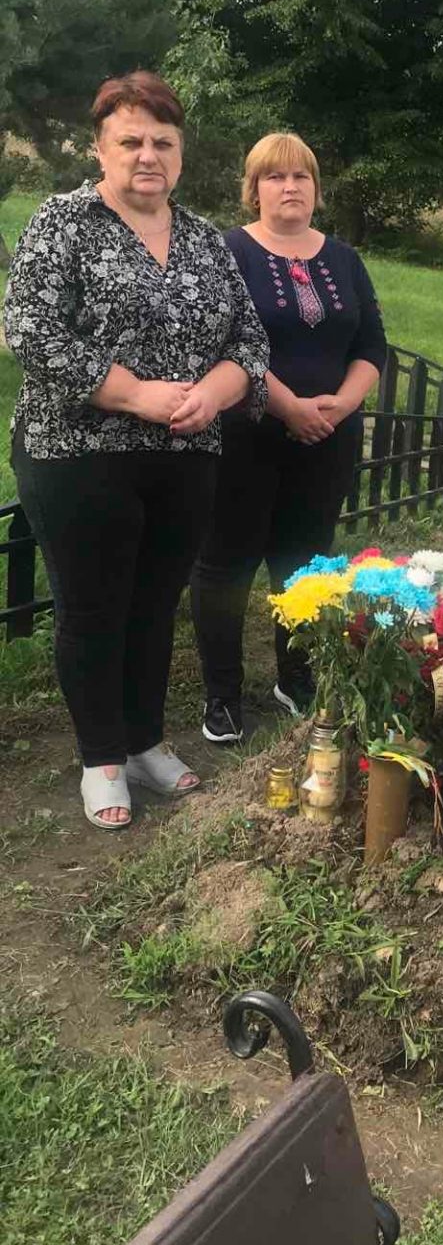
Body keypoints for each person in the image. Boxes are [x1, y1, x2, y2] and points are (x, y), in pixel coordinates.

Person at [3, 71, 269, 830]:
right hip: (77, 451)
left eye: (163, 142)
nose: (147, 155)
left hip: (186, 456)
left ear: (180, 154)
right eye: (131, 141)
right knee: (94, 608)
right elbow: (30, 328)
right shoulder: (63, 223)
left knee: (155, 605)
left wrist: (215, 391)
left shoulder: (205, 240)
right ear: (100, 149)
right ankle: (102, 760)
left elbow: (249, 340)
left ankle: (145, 742)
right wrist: (135, 394)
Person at [190, 133, 388, 741]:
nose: (290, 187)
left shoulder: (344, 259)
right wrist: (290, 407)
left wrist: (342, 404)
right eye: (274, 177)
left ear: (316, 189)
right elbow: (221, 343)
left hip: (327, 439)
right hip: (245, 436)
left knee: (304, 562)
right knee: (226, 564)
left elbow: (371, 345)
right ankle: (223, 696)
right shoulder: (228, 252)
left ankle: (296, 678)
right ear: (254, 190)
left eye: (301, 176)